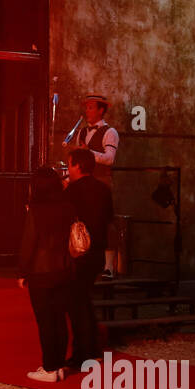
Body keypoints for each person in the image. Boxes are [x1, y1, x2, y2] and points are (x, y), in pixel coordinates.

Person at [17, 165, 79, 382]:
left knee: (45, 322)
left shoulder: (35, 210)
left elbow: (29, 243)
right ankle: (60, 365)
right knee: (60, 320)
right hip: (64, 270)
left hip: (41, 272)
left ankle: (49, 367)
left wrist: (23, 272)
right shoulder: (68, 207)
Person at [65, 148, 113, 368]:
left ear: (78, 166)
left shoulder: (72, 191)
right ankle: (93, 349)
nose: (68, 169)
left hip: (79, 253)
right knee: (84, 300)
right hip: (97, 253)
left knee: (76, 303)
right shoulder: (104, 189)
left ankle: (83, 353)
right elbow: (109, 219)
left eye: (69, 164)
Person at [65, 92, 120, 277]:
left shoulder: (110, 132)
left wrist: (89, 154)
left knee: (104, 221)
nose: (87, 111)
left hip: (101, 181)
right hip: (83, 181)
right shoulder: (81, 131)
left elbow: (110, 159)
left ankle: (109, 267)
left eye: (90, 107)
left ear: (101, 110)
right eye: (86, 107)